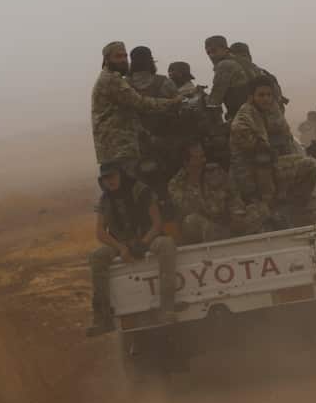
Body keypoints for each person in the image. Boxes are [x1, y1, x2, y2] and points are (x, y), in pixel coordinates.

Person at [87, 161, 178, 336]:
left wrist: (143, 244)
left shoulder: (140, 190)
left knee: (166, 244)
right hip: (121, 242)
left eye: (112, 176)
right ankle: (102, 318)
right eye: (105, 178)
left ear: (120, 174)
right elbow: (100, 232)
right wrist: (121, 248)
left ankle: (167, 308)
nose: (110, 181)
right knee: (97, 256)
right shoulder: (105, 199)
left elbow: (157, 223)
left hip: (147, 237)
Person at [231, 75, 316, 227]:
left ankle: (293, 207)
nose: (266, 99)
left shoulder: (265, 111)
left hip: (267, 168)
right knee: (309, 165)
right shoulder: (244, 118)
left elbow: (284, 134)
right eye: (261, 95)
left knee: (305, 162)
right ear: (251, 97)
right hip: (251, 176)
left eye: (269, 95)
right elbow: (259, 153)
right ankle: (290, 208)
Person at [91, 41, 180, 176]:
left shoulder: (117, 79)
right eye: (118, 56)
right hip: (118, 147)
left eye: (124, 56)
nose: (123, 60)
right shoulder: (111, 80)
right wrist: (173, 102)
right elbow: (140, 103)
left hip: (120, 145)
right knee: (129, 186)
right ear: (107, 59)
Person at [167, 141, 246, 243]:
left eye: (203, 156)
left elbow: (233, 196)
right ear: (186, 162)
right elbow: (188, 208)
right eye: (198, 158)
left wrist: (237, 214)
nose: (204, 160)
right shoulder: (176, 185)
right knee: (191, 221)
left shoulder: (215, 171)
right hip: (201, 228)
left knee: (261, 209)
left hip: (226, 223)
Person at [204, 35, 249, 120]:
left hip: (245, 118)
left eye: (214, 51)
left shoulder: (225, 65)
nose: (211, 56)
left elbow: (214, 101)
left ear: (225, 49)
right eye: (208, 53)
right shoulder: (244, 62)